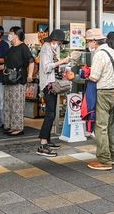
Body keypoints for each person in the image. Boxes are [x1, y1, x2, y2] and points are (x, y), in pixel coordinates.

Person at [86, 28, 114, 171]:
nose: (88, 44)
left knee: (100, 126)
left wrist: (85, 75)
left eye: (88, 41)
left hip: (103, 92)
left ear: (94, 41)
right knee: (110, 126)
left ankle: (104, 160)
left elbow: (94, 77)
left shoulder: (99, 54)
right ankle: (111, 156)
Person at [36, 29, 70, 157]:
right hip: (48, 85)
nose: (60, 44)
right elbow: (46, 67)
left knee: (52, 113)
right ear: (53, 40)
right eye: (59, 42)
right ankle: (43, 144)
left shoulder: (52, 49)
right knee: (50, 114)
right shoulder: (46, 48)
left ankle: (47, 140)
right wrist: (62, 61)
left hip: (52, 84)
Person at [0, 26, 35, 136]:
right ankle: (9, 125)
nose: (9, 35)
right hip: (8, 79)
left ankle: (18, 128)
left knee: (17, 104)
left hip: (18, 79)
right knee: (8, 103)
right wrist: (0, 67)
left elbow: (31, 61)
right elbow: (9, 63)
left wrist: (30, 75)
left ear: (16, 35)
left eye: (11, 33)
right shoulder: (11, 48)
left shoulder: (23, 47)